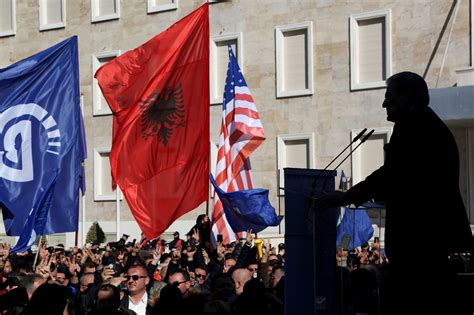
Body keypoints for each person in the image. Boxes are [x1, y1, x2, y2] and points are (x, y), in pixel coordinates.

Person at [314, 71, 472, 314]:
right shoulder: (421, 123)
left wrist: (346, 196)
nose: (384, 103)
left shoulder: (416, 126)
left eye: (390, 97)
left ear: (408, 97)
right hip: (424, 243)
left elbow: (392, 174)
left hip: (420, 243)